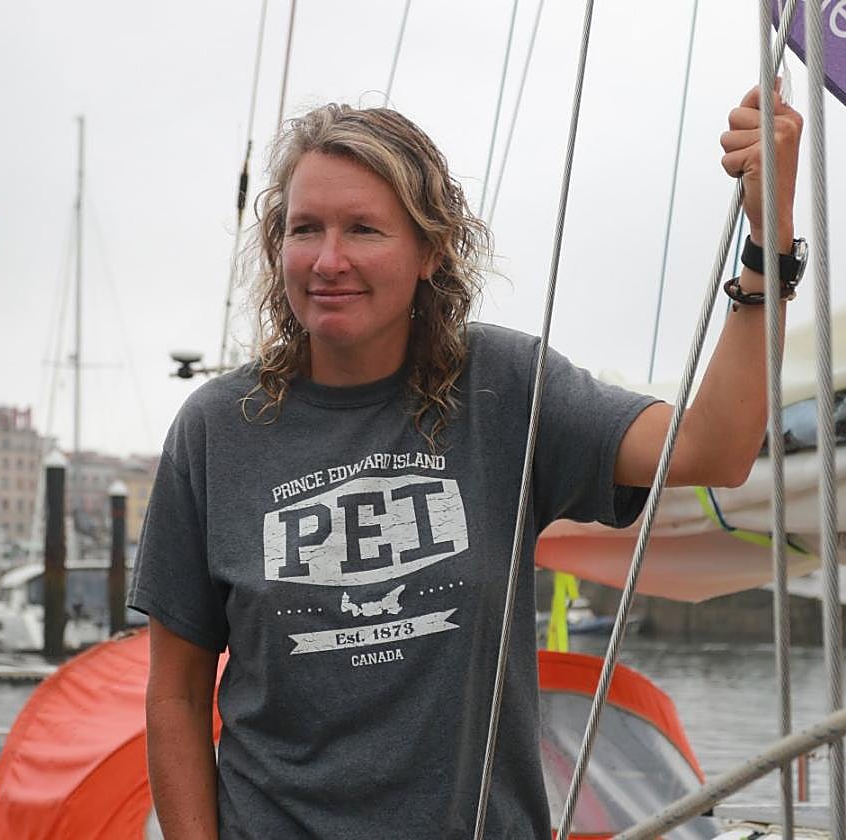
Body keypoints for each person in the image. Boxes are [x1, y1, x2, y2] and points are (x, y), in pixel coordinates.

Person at [131, 84, 803, 839]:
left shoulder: (504, 387)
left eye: (363, 230)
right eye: (304, 229)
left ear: (431, 250)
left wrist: (766, 242)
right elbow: (177, 697)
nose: (327, 260)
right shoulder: (216, 430)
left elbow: (713, 447)